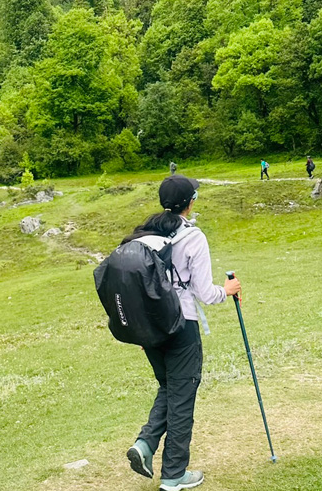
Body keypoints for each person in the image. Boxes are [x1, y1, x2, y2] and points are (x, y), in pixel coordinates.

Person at [124, 175, 242, 491]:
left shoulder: (145, 234)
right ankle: (174, 474)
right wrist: (227, 290)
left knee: (169, 387)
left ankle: (145, 444)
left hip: (151, 329)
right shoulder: (193, 237)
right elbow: (204, 292)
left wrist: (144, 331)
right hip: (181, 326)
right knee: (182, 397)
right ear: (189, 203)